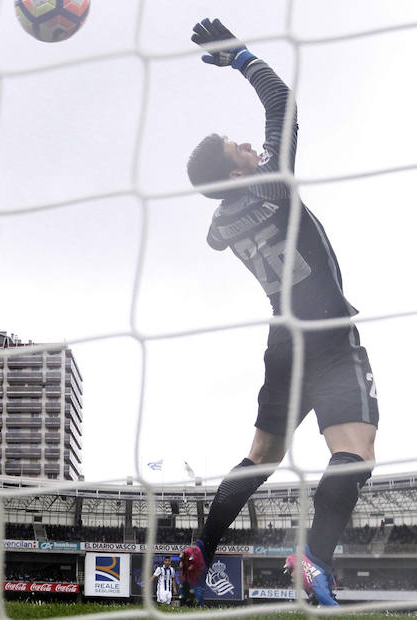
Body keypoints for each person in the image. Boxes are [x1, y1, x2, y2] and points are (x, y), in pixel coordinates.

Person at [182, 18, 378, 607]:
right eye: (239, 149)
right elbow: (283, 105)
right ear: (240, 172)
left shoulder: (222, 222)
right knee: (355, 448)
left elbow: (219, 233)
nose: (250, 145)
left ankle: (200, 549)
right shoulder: (272, 185)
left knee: (262, 455)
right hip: (328, 329)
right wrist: (238, 56)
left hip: (283, 339)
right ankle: (314, 558)